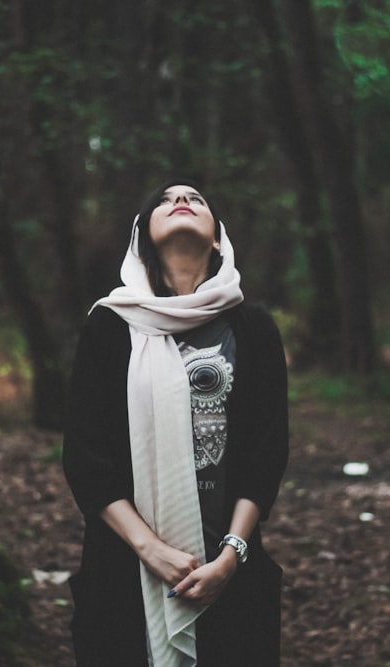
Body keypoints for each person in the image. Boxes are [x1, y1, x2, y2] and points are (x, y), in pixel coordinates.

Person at [62, 179, 289, 666]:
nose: (181, 201)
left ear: (217, 238)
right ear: (142, 237)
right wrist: (152, 551)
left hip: (231, 567)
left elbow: (266, 452)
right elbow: (86, 456)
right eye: (163, 201)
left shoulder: (252, 327)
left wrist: (230, 557)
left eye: (196, 199)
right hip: (124, 569)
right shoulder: (110, 326)